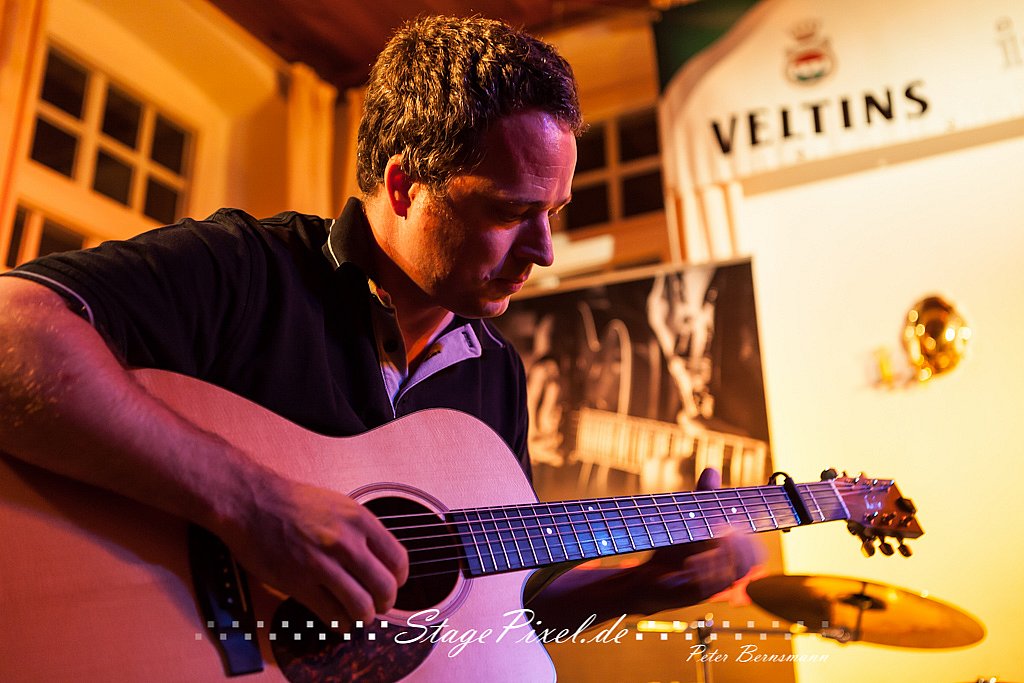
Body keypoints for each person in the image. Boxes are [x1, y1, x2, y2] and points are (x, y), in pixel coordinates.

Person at [0, 15, 756, 645]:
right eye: (509, 211)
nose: (544, 251)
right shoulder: (246, 268)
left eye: (552, 213)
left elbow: (497, 607)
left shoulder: (495, 371)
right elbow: (11, 326)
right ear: (403, 185)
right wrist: (252, 504)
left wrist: (636, 589)